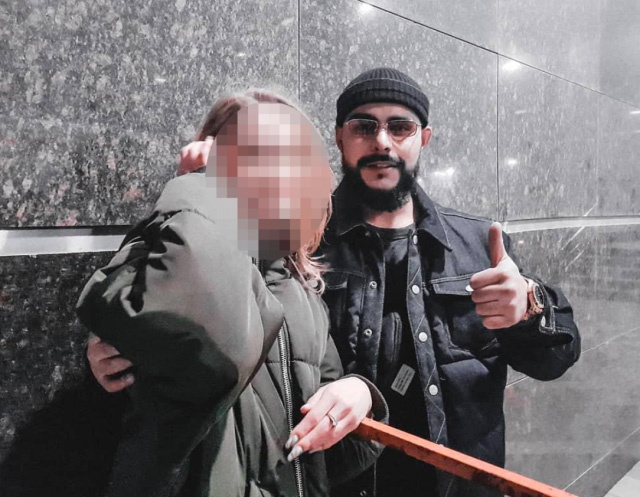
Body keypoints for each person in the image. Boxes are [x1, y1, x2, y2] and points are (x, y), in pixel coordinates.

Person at [90, 68, 581, 497]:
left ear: (424, 139)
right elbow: (191, 312)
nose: (382, 142)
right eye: (364, 126)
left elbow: (555, 359)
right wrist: (125, 336)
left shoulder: (475, 242)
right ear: (341, 138)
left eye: (400, 127)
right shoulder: (304, 249)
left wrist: (530, 308)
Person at [77, 89, 388, 497]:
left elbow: (329, 458)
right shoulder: (159, 258)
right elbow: (212, 349)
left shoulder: (303, 293)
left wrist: (360, 397)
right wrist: (201, 188)